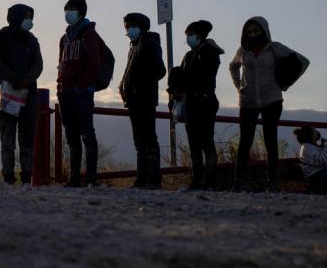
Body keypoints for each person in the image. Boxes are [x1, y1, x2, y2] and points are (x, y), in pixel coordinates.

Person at [229, 16, 309, 192]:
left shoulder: (275, 48)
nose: (252, 34)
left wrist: (285, 84)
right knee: (245, 142)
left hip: (272, 100)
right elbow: (232, 66)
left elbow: (303, 62)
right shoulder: (242, 51)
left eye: (256, 31)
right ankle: (238, 182)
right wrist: (238, 86)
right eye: (249, 32)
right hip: (247, 101)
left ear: (264, 31)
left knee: (270, 141)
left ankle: (272, 182)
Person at [0, 4, 43, 185]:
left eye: (31, 16)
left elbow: (38, 64)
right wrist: (13, 78)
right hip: (6, 93)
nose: (29, 20)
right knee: (7, 137)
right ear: (15, 16)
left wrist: (26, 80)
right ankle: (8, 176)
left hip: (29, 94)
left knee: (27, 137)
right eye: (26, 15)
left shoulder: (32, 40)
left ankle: (26, 176)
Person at [168, 20, 224, 190]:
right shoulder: (189, 55)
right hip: (191, 102)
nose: (188, 39)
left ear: (200, 35)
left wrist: (184, 79)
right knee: (195, 144)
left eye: (190, 35)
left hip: (205, 102)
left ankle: (210, 181)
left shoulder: (210, 53)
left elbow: (204, 77)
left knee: (206, 142)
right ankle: (197, 180)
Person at [57, 0, 102, 187]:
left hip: (82, 93)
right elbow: (62, 64)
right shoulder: (64, 38)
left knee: (86, 134)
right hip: (65, 93)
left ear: (81, 12)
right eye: (66, 9)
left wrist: (81, 86)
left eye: (72, 9)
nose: (68, 13)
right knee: (71, 136)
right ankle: (74, 177)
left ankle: (91, 176)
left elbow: (95, 65)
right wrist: (60, 86)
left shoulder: (89, 35)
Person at [119, 13, 166, 189]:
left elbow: (160, 70)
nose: (128, 29)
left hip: (144, 98)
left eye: (131, 25)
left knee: (147, 138)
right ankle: (142, 178)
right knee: (139, 139)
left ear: (141, 26)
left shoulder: (149, 44)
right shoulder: (134, 46)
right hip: (134, 99)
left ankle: (153, 179)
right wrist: (123, 85)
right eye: (126, 26)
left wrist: (139, 84)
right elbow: (129, 70)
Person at [293, 126, 327, 194]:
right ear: (310, 136)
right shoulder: (307, 147)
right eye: (314, 132)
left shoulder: (310, 146)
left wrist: (323, 147)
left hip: (318, 172)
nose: (316, 133)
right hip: (314, 175)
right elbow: (323, 160)